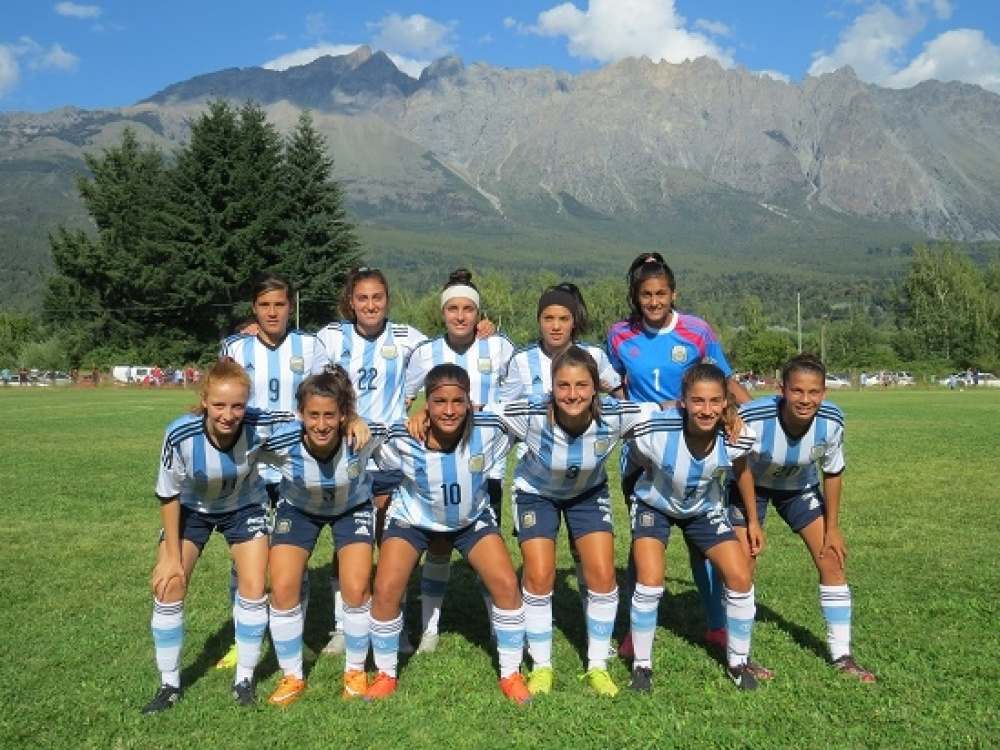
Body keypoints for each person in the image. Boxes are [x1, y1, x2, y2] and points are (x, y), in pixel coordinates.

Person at [607, 252, 752, 657]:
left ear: (673, 293)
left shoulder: (697, 330)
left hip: (696, 447)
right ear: (636, 296)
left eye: (661, 294)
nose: (654, 302)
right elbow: (613, 383)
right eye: (646, 295)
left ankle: (716, 625)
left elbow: (724, 379)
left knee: (701, 538)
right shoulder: (619, 334)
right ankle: (636, 630)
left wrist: (752, 415)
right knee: (644, 539)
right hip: (643, 453)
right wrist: (635, 415)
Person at [364, 364, 531, 704]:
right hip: (413, 519)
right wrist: (357, 421)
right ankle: (385, 673)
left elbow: (535, 408)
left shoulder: (490, 428)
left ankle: (511, 673)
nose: (450, 410)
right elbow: (364, 432)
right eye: (439, 401)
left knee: (506, 584)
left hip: (471, 519)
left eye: (458, 401)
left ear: (470, 402)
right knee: (385, 588)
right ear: (426, 403)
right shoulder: (403, 436)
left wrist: (486, 408)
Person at [497, 346, 658, 697]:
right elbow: (479, 415)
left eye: (582, 385)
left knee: (601, 574)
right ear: (551, 387)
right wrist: (422, 417)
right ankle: (542, 666)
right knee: (540, 573)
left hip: (587, 493)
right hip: (536, 493)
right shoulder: (530, 412)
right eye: (564, 385)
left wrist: (724, 416)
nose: (572, 394)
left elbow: (663, 412)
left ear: (596, 387)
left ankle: (597, 665)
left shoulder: (616, 414)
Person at [142, 360, 295, 713]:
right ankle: (169, 684)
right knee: (169, 584)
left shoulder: (260, 425)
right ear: (204, 401)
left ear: (247, 404)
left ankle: (244, 679)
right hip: (192, 509)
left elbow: (309, 421)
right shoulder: (180, 434)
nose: (228, 415)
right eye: (219, 405)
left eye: (237, 406)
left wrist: (351, 419)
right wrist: (171, 557)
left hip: (244, 507)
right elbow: (168, 494)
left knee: (253, 587)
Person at [730, 353, 875, 682]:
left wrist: (832, 527)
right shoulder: (754, 417)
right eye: (797, 391)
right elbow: (739, 468)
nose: (805, 399)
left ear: (824, 392)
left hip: (798, 488)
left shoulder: (832, 420)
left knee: (831, 558)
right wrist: (752, 520)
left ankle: (842, 656)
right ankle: (739, 656)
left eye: (813, 392)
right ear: (781, 389)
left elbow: (832, 472)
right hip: (749, 487)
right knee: (744, 565)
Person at [626, 362, 764, 692]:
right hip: (654, 505)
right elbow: (633, 453)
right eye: (698, 401)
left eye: (715, 401)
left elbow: (742, 472)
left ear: (725, 402)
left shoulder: (736, 435)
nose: (706, 409)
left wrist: (752, 520)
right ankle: (642, 666)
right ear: (684, 401)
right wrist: (642, 477)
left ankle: (738, 662)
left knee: (740, 576)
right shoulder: (656, 430)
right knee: (650, 579)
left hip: (702, 508)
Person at [215, 272, 328, 669]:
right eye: (264, 305)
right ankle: (243, 639)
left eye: (280, 304)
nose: (273, 312)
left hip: (296, 464)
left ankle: (291, 634)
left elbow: (324, 396)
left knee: (291, 555)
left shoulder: (310, 346)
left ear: (291, 306)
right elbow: (224, 400)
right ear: (253, 308)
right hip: (250, 466)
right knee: (244, 557)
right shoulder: (235, 346)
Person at [313, 266, 428, 655]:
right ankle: (343, 626)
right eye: (362, 298)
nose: (370, 305)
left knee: (392, 541)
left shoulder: (407, 337)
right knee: (347, 540)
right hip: (346, 449)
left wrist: (483, 331)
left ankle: (394, 623)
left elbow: (447, 355)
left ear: (387, 300)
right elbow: (316, 383)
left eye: (377, 297)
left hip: (393, 453)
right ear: (351, 301)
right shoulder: (331, 336)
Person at [403, 269, 516, 654]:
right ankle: (429, 628)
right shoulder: (426, 352)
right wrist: (417, 415)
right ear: (443, 313)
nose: (461, 316)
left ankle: (497, 626)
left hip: (485, 465)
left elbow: (516, 398)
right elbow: (405, 398)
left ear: (478, 313)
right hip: (436, 462)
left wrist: (487, 411)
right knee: (437, 543)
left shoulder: (499, 347)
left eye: (468, 309)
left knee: (488, 548)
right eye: (453, 308)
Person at [260, 367, 383, 706]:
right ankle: (292, 675)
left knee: (356, 587)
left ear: (343, 414)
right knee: (283, 586)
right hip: (299, 509)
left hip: (351, 508)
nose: (321, 424)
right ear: (300, 414)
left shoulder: (363, 435)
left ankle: (355, 670)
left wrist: (361, 420)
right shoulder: (282, 442)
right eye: (313, 415)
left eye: (330, 415)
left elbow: (405, 429)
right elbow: (240, 441)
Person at [504, 283, 623, 611]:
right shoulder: (522, 360)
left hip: (585, 478)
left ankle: (593, 619)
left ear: (574, 321)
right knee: (540, 568)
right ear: (539, 320)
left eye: (563, 318)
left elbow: (620, 399)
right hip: (538, 477)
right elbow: (505, 412)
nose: (555, 326)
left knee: (589, 556)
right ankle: (532, 623)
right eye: (548, 318)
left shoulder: (594, 356)